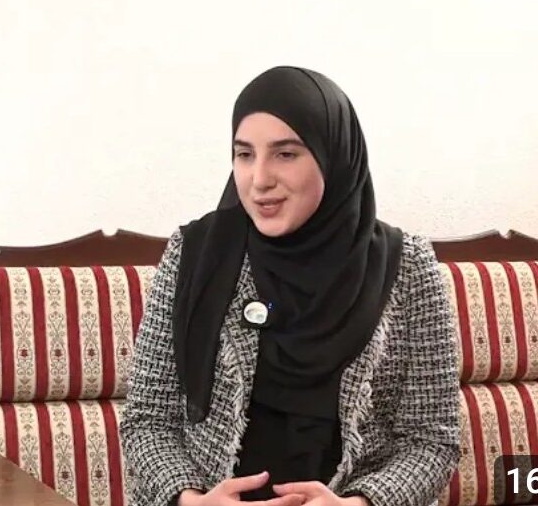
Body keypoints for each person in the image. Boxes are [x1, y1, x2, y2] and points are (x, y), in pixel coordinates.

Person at [119, 66, 460, 506]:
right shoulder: (195, 253)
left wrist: (360, 504)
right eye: (244, 154)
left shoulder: (407, 265)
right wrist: (192, 500)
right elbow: (147, 420)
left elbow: (432, 440)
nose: (260, 179)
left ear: (333, 154)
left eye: (285, 154)